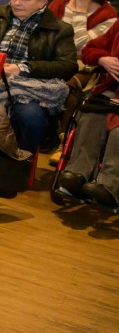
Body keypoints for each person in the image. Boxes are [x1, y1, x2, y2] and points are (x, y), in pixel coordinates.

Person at [0, 0, 76, 156]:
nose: (16, 3)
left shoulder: (59, 28)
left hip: (26, 87)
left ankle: (17, 163)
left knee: (31, 118)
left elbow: (68, 65)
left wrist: (24, 68)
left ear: (42, 3)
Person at [61, 19, 119, 206]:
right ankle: (78, 175)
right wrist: (103, 59)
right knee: (90, 117)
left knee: (118, 131)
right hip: (112, 93)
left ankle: (110, 187)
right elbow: (89, 50)